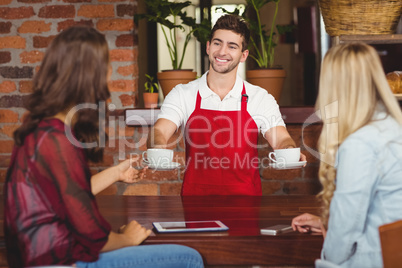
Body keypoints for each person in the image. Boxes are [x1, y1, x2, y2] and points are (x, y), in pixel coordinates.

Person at [3, 26, 204, 268]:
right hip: (59, 261)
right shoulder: (56, 140)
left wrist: (117, 173)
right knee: (189, 258)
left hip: (43, 257)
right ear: (89, 76)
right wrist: (127, 238)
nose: (110, 74)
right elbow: (92, 236)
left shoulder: (43, 130)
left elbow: (66, 193)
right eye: (106, 66)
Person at [147, 14, 305, 196]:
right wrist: (158, 148)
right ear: (208, 46)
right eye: (217, 43)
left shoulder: (259, 98)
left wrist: (289, 150)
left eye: (232, 46)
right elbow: (159, 131)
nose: (222, 52)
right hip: (195, 203)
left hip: (247, 205)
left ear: (243, 55)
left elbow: (281, 139)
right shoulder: (183, 94)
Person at [291, 43, 402, 267]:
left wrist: (329, 247)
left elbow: (345, 232)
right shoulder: (392, 127)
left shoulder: (361, 143)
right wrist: (325, 224)